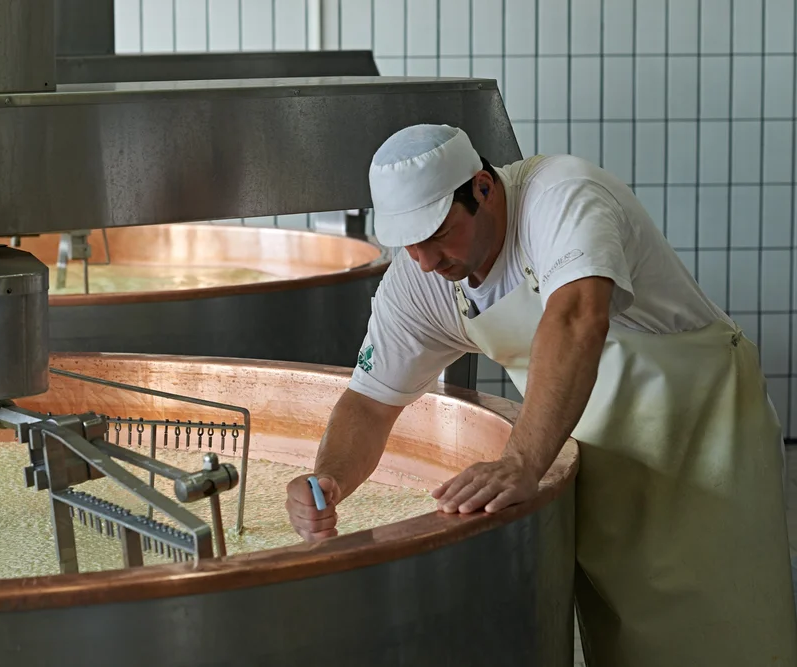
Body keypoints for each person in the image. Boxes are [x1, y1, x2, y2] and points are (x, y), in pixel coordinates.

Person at [284, 124, 797, 666]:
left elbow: (577, 318)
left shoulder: (560, 196)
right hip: (605, 463)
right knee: (626, 637)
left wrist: (521, 460)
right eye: (409, 246)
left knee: (725, 630)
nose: (427, 261)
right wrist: (329, 478)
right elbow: (369, 401)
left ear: (482, 187)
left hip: (702, 437)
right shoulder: (421, 280)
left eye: (437, 235)